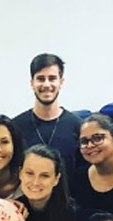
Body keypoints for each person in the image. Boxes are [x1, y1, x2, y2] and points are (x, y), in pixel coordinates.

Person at [12, 53, 84, 187]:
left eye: (52, 78)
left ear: (61, 82)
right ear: (32, 83)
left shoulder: (78, 126)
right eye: (40, 79)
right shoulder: (15, 127)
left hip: (70, 198)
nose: (46, 84)